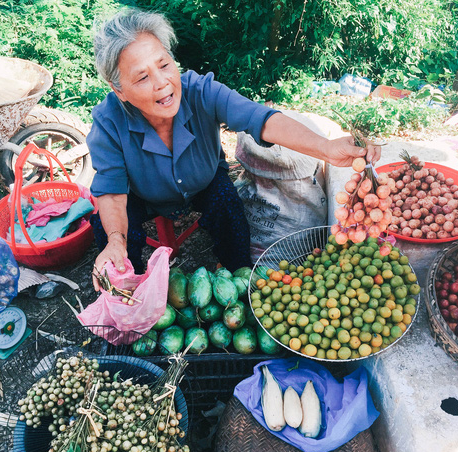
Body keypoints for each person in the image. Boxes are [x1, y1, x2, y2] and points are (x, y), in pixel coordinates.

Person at [87, 9, 381, 290]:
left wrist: (325, 148)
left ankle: (238, 281)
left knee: (229, 209)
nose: (162, 83)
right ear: (119, 89)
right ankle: (133, 294)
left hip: (204, 182)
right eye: (142, 77)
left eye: (164, 65)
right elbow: (111, 192)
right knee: (109, 233)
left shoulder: (200, 91)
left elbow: (260, 119)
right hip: (140, 195)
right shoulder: (108, 121)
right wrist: (116, 240)